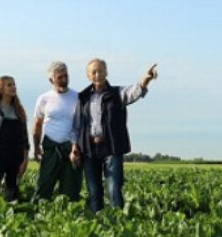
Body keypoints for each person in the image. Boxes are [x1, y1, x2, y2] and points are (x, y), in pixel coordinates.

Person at [73, 59, 158, 212]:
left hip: (111, 147)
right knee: (94, 192)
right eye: (94, 72)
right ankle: (96, 224)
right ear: (88, 75)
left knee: (114, 189)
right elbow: (77, 125)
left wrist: (146, 79)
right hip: (89, 149)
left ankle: (117, 224)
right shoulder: (82, 97)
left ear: (107, 72)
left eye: (101, 71)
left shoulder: (117, 93)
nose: (98, 74)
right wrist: (75, 147)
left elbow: (135, 91)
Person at [32, 61, 83, 201]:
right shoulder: (44, 99)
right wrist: (36, 148)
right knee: (44, 188)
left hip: (71, 149)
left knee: (70, 192)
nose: (64, 79)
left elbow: (81, 126)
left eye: (66, 75)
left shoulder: (78, 97)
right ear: (51, 79)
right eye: (60, 77)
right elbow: (37, 124)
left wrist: (76, 148)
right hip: (51, 149)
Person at [0, 76, 29, 201]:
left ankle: (11, 218)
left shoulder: (19, 110)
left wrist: (25, 159)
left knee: (12, 193)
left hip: (16, 156)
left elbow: (25, 138)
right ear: (1, 89)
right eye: (9, 85)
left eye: (14, 84)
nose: (13, 87)